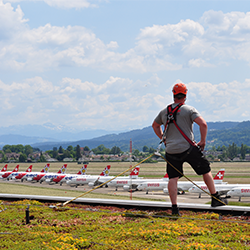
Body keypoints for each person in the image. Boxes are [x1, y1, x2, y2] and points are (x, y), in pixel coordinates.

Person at [152, 83, 227, 216]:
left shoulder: (164, 111)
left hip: (171, 151)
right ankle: (215, 198)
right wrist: (203, 141)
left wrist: (163, 138)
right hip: (188, 148)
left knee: (173, 178)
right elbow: (203, 124)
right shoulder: (189, 109)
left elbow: (155, 125)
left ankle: (174, 208)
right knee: (206, 170)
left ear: (173, 94)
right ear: (185, 95)